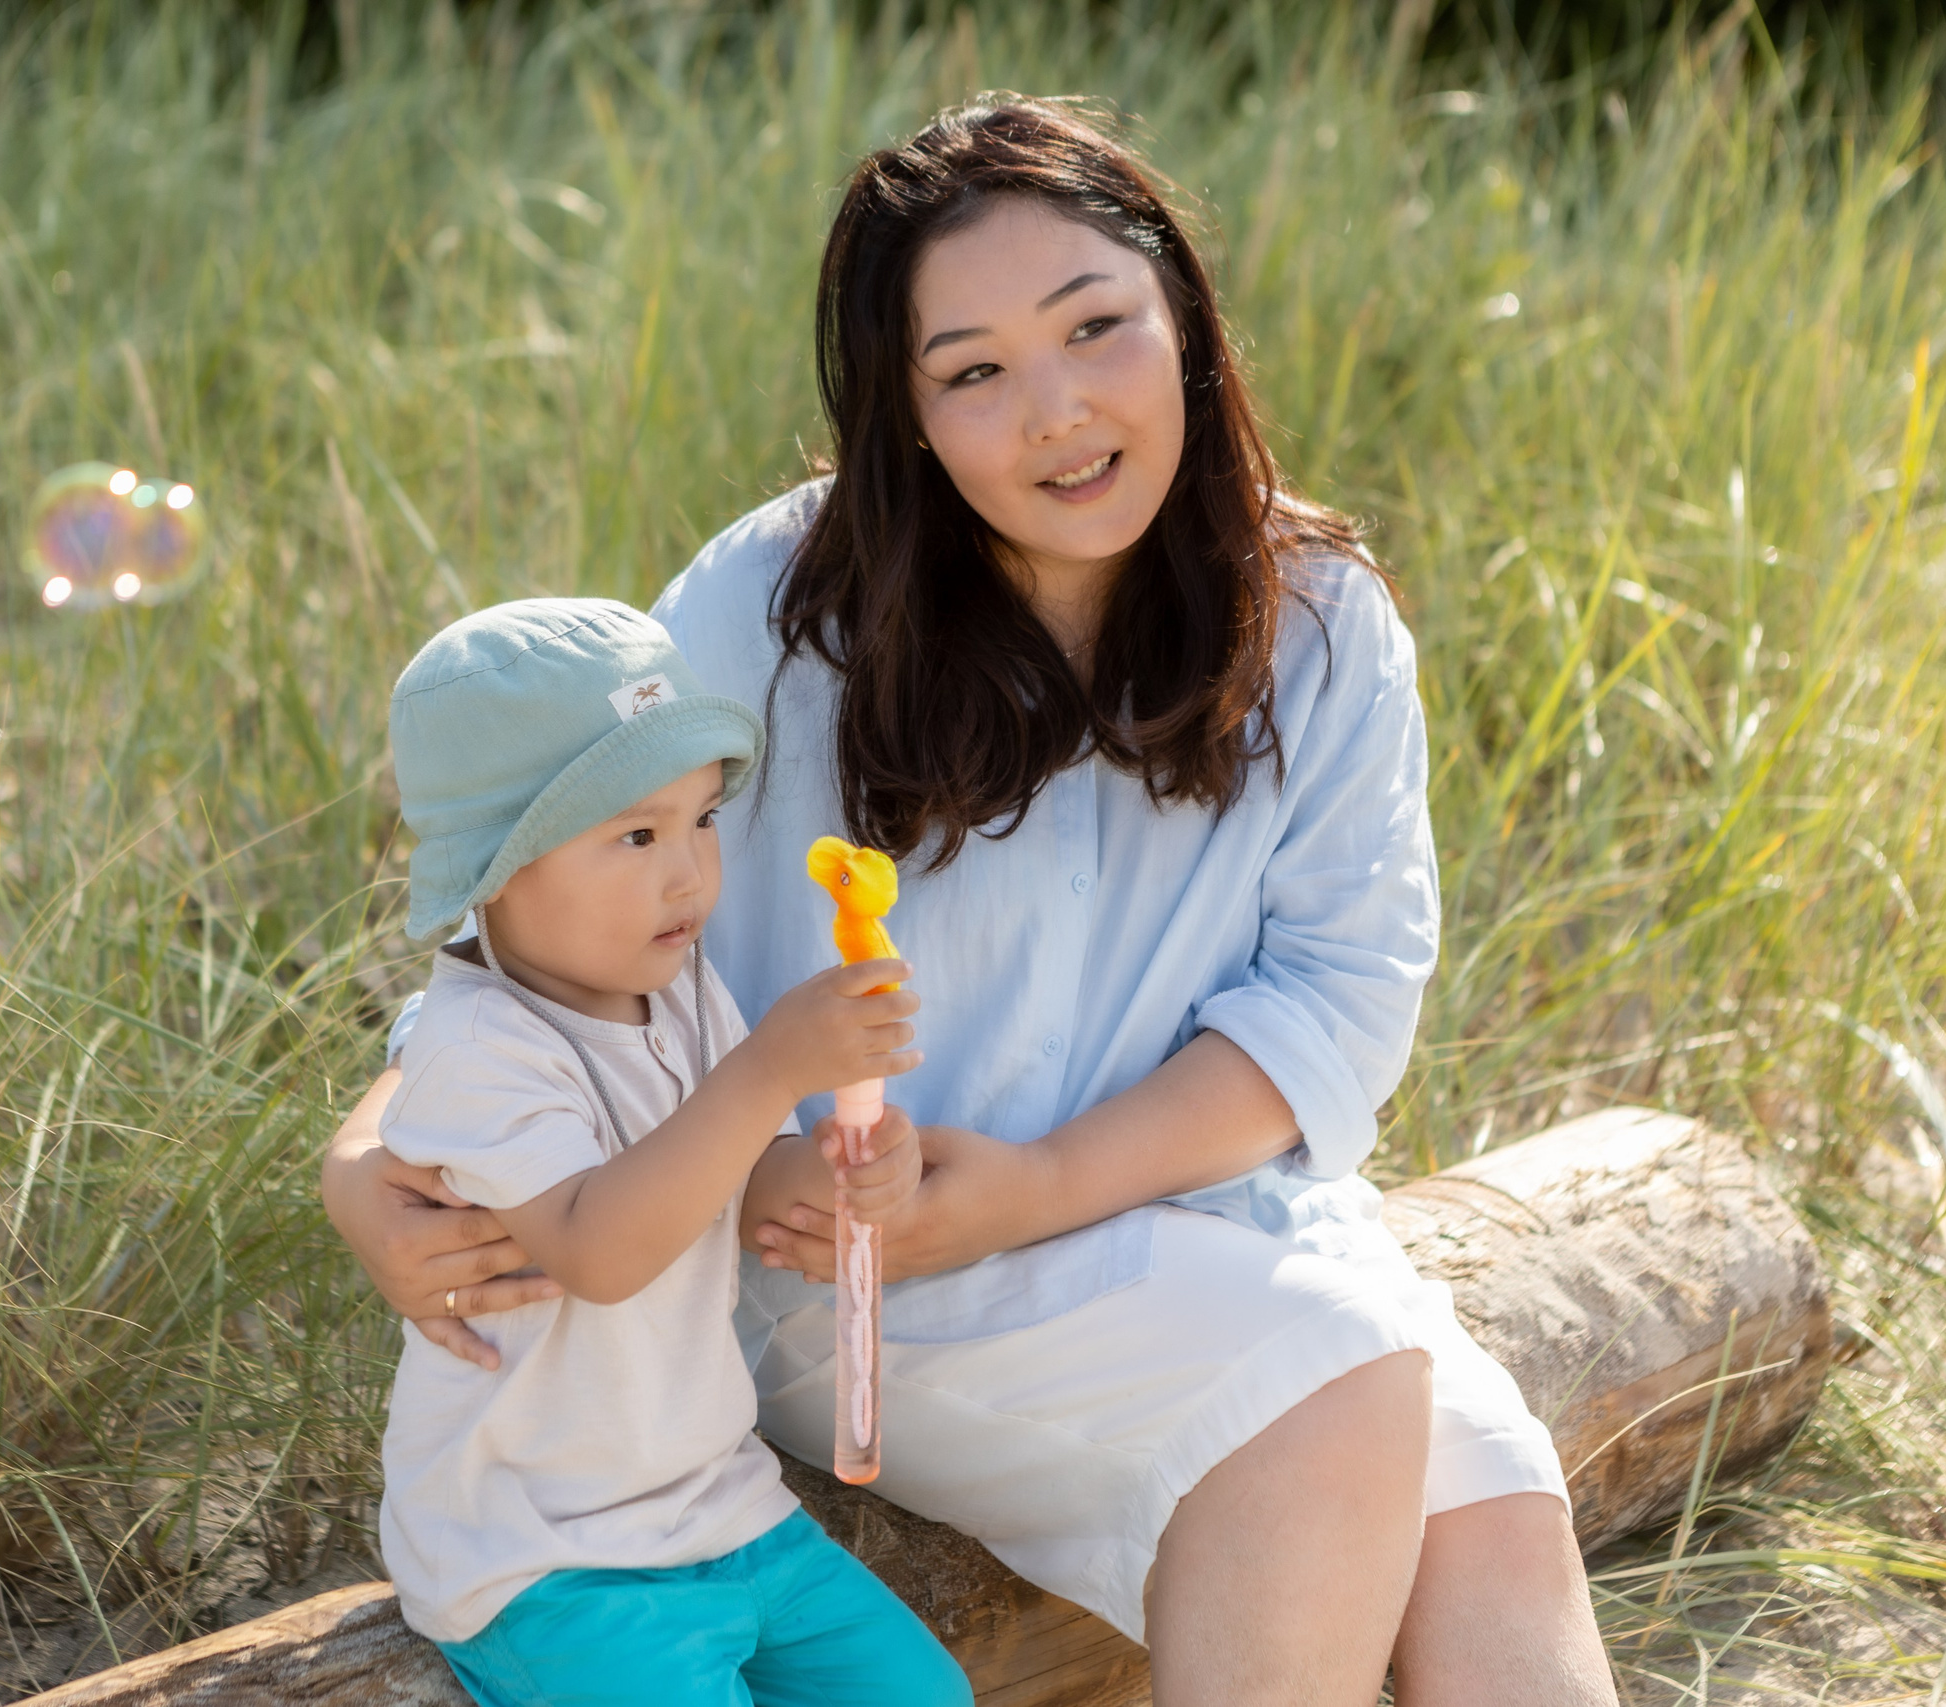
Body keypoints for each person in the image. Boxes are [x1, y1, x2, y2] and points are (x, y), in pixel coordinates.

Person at [331, 102, 1620, 1706]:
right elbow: (563, 892)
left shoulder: (1324, 618)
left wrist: (1045, 1181)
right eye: (975, 370)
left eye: (1098, 328)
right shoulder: (771, 605)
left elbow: (1338, 999)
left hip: (1203, 1215)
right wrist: (371, 1141)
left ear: (1185, 324)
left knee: (1493, 1516)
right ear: (909, 411)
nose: (1060, 410)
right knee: (1340, 1378)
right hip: (861, 1268)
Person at [375, 598, 970, 1706]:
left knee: (923, 1696)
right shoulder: (479, 1046)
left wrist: (851, 1165)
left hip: (716, 1500)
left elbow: (748, 1189)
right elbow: (599, 1252)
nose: (689, 872)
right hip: (547, 1550)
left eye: (701, 820)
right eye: (636, 835)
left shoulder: (679, 992)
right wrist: (767, 1071)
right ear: (498, 868)